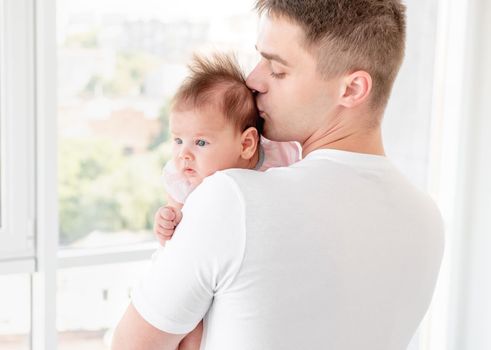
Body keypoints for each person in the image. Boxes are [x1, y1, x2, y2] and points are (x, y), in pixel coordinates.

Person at [112, 1, 445, 349]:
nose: (254, 80)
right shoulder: (427, 218)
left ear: (352, 89)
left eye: (278, 69)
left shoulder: (232, 199)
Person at [150, 52, 301, 350]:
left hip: (246, 272)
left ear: (246, 144)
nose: (184, 154)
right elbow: (175, 228)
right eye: (178, 140)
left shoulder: (278, 157)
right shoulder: (184, 176)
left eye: (200, 142)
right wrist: (166, 222)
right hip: (192, 268)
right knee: (190, 325)